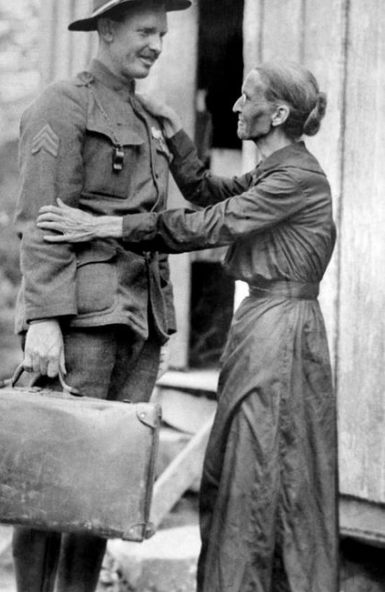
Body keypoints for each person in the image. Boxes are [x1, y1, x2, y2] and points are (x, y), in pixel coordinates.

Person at [37, 61, 339, 592]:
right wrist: (172, 127)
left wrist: (105, 225)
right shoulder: (273, 172)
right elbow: (205, 191)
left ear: (278, 114)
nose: (237, 107)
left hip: (284, 333)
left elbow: (208, 224)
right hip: (263, 325)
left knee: (265, 463)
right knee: (242, 462)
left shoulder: (297, 178)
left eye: (248, 99)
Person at [12, 0, 191, 592]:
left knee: (102, 481)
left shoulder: (149, 116)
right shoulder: (61, 105)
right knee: (49, 470)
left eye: (162, 35)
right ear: (108, 29)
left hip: (141, 320)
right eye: (145, 30)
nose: (156, 44)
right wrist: (43, 321)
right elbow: (38, 218)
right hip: (82, 320)